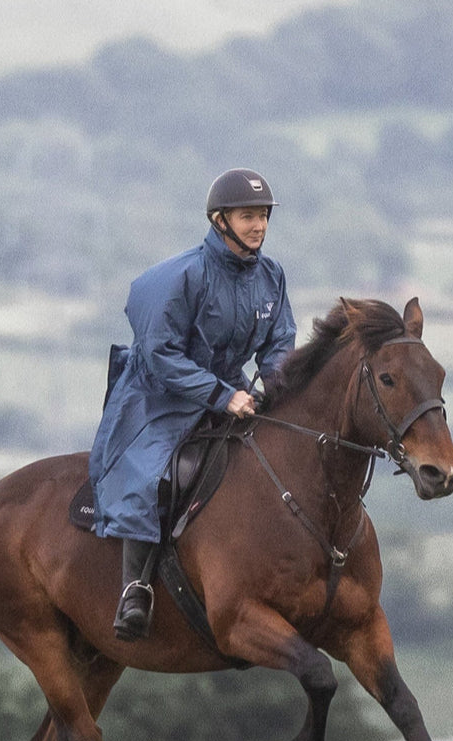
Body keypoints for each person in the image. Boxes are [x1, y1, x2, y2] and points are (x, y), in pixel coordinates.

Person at [89, 168, 297, 640]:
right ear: (219, 220)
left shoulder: (271, 276)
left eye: (263, 216)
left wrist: (277, 390)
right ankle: (135, 587)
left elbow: (279, 342)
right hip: (158, 396)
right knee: (154, 475)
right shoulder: (181, 276)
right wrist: (223, 396)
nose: (259, 226)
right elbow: (161, 355)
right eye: (248, 216)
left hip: (230, 390)